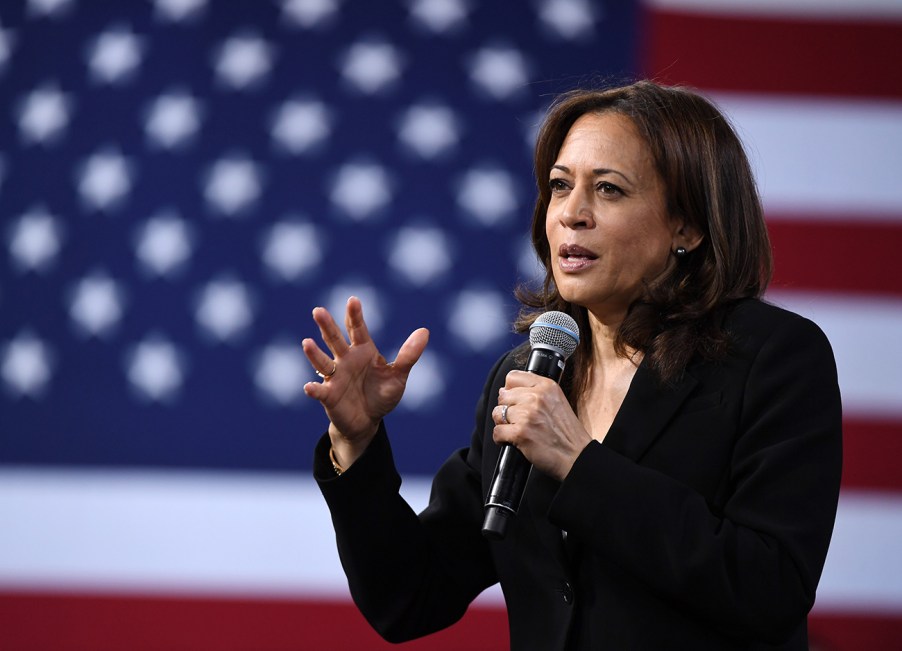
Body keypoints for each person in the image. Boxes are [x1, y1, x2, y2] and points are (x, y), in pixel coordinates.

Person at [301, 80, 842, 650]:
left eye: (608, 190)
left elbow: (769, 587)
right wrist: (355, 443)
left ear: (687, 225)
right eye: (560, 187)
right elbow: (409, 597)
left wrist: (578, 464)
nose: (571, 214)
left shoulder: (772, 358)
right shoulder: (529, 374)